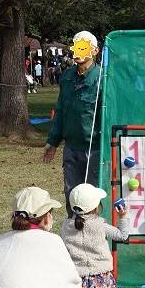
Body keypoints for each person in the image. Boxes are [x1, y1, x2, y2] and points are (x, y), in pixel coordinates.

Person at [61, 184, 130, 288]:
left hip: (78, 276)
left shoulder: (65, 226)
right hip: (102, 275)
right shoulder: (100, 225)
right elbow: (122, 235)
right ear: (96, 207)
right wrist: (123, 217)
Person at [44, 31, 103, 216]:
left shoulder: (103, 79)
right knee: (72, 195)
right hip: (71, 148)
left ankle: (93, 237)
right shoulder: (67, 76)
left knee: (92, 199)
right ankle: (73, 237)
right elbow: (61, 110)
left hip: (95, 149)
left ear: (94, 51)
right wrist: (52, 142)